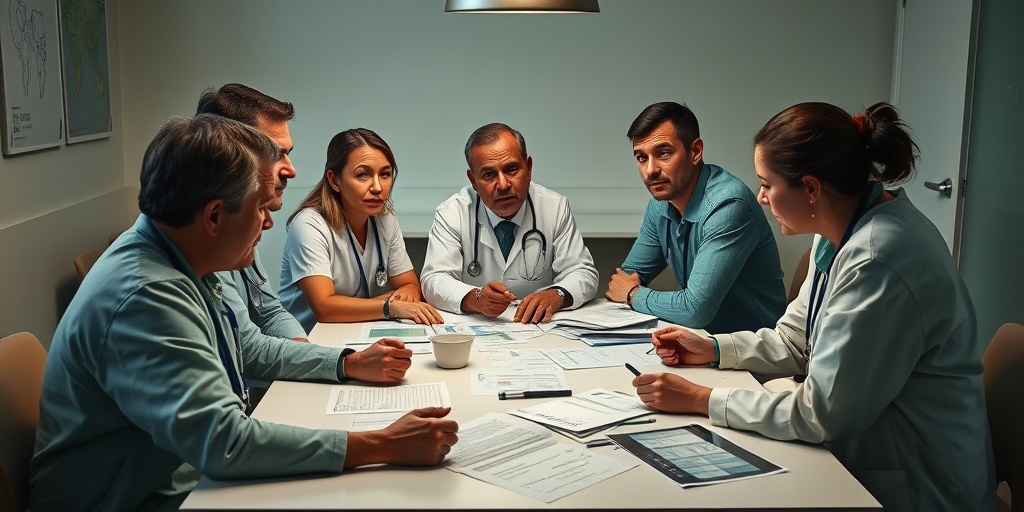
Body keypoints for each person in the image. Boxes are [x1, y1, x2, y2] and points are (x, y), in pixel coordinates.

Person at [30, 115, 458, 512]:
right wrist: (381, 444)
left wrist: (345, 362)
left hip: (173, 473)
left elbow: (248, 349)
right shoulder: (148, 295)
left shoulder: (183, 257)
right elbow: (224, 444)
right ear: (214, 215)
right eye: (259, 207)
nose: (269, 222)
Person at [632, 102, 994, 510]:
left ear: (810, 188)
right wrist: (713, 349)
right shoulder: (837, 229)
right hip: (870, 451)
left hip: (920, 484)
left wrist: (700, 400)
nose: (761, 198)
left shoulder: (879, 258)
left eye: (767, 184)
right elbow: (794, 339)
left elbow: (821, 414)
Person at [196, 84, 412, 406]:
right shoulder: (193, 254)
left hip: (273, 377)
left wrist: (312, 356)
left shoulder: (231, 229)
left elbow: (269, 312)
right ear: (226, 152)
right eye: (276, 153)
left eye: (289, 152)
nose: (292, 170)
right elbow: (250, 350)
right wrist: (344, 363)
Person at [606, 102, 786, 333]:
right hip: (698, 344)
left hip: (752, 352)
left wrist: (633, 294)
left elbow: (695, 310)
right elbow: (626, 278)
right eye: (642, 157)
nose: (651, 170)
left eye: (663, 153)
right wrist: (628, 289)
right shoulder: (660, 204)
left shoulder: (729, 205)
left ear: (695, 152)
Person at [421, 123, 599, 323]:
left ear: (529, 168)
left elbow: (583, 272)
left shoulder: (554, 207)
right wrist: (476, 299)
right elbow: (434, 280)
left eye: (511, 169)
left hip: (538, 327)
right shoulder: (452, 213)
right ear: (473, 181)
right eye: (488, 175)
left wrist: (556, 295)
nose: (503, 185)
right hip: (478, 329)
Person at [280, 128, 443, 331]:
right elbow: (325, 307)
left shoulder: (386, 220)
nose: (377, 187)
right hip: (308, 341)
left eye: (385, 174)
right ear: (334, 180)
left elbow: (410, 284)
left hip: (357, 332)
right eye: (363, 175)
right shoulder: (309, 225)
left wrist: (399, 299)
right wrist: (391, 306)